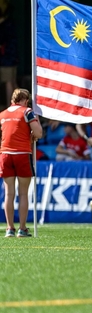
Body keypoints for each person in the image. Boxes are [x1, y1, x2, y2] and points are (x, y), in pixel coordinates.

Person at [0, 89, 42, 237]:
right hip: (22, 154)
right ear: (25, 100)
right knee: (23, 193)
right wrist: (32, 134)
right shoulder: (27, 111)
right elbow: (38, 133)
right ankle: (22, 228)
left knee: (8, 194)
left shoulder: (3, 114)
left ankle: (9, 228)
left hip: (5, 154)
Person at [0, 7, 18, 110]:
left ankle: (9, 107)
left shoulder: (3, 27)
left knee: (9, 82)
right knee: (13, 81)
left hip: (6, 59)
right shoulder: (9, 24)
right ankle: (20, 104)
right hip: (12, 57)